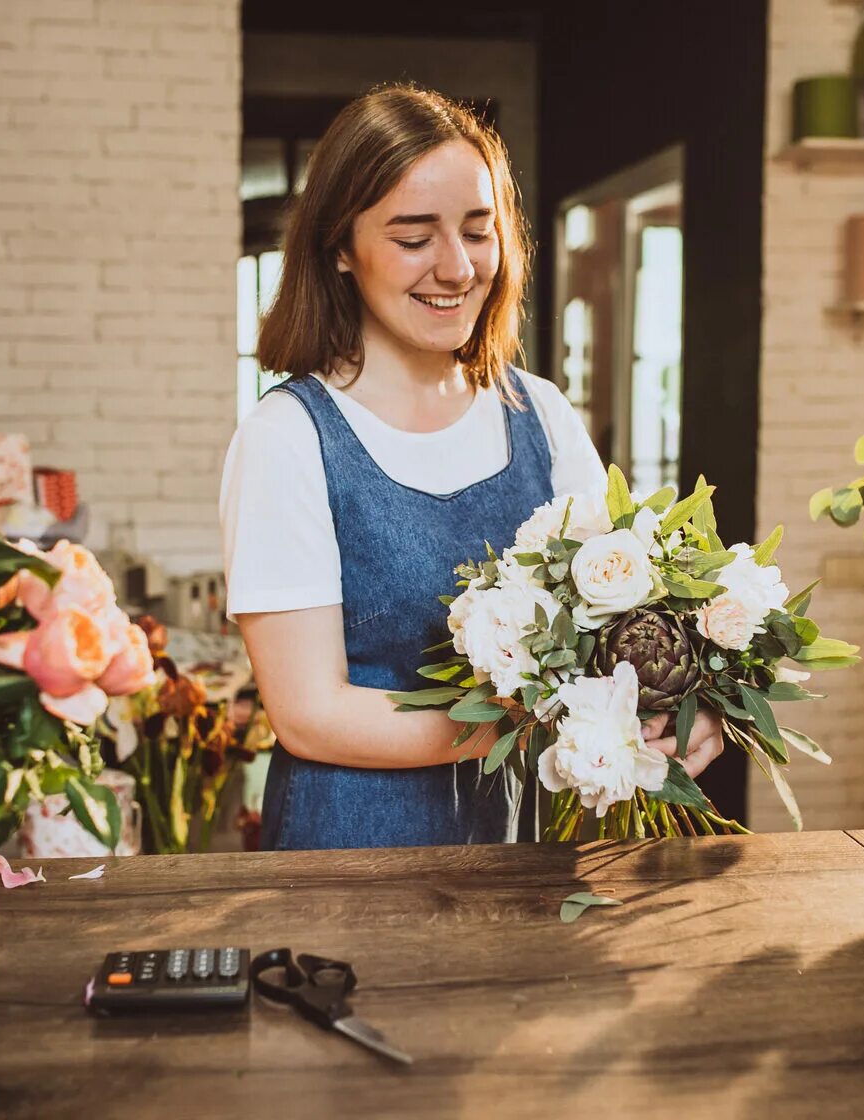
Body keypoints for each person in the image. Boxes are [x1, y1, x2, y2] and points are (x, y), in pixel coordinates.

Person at [219, 85, 724, 851]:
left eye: (478, 231)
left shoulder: (541, 415)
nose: (456, 268)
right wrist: (540, 721)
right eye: (413, 237)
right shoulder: (288, 438)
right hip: (349, 862)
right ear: (339, 249)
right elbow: (309, 714)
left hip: (524, 852)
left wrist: (681, 705)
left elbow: (627, 626)